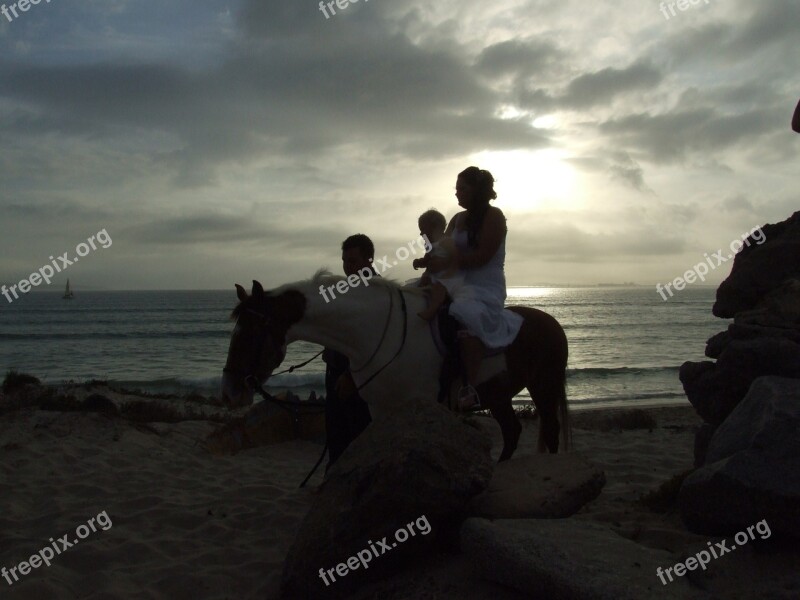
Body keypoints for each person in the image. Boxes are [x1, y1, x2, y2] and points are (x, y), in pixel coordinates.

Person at [427, 167, 523, 411]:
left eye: (462, 189)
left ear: (477, 191)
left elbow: (482, 257)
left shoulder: (495, 217)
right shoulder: (458, 219)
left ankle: (468, 387)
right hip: (456, 279)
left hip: (484, 285)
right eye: (456, 189)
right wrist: (430, 266)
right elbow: (442, 249)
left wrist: (449, 262)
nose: (457, 194)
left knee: (466, 314)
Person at [323, 234, 376, 470]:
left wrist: (351, 374)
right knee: (335, 429)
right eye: (345, 261)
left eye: (353, 261)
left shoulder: (376, 292)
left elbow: (371, 342)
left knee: (359, 431)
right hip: (333, 367)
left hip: (359, 377)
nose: (347, 267)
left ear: (369, 260)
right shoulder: (343, 289)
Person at [413, 209, 465, 320]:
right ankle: (418, 302)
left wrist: (449, 270)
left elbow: (455, 257)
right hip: (433, 274)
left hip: (447, 276)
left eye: (423, 230)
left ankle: (432, 310)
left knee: (439, 290)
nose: (421, 234)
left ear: (435, 228)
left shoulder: (446, 242)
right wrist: (420, 262)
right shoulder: (429, 245)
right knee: (423, 282)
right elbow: (427, 259)